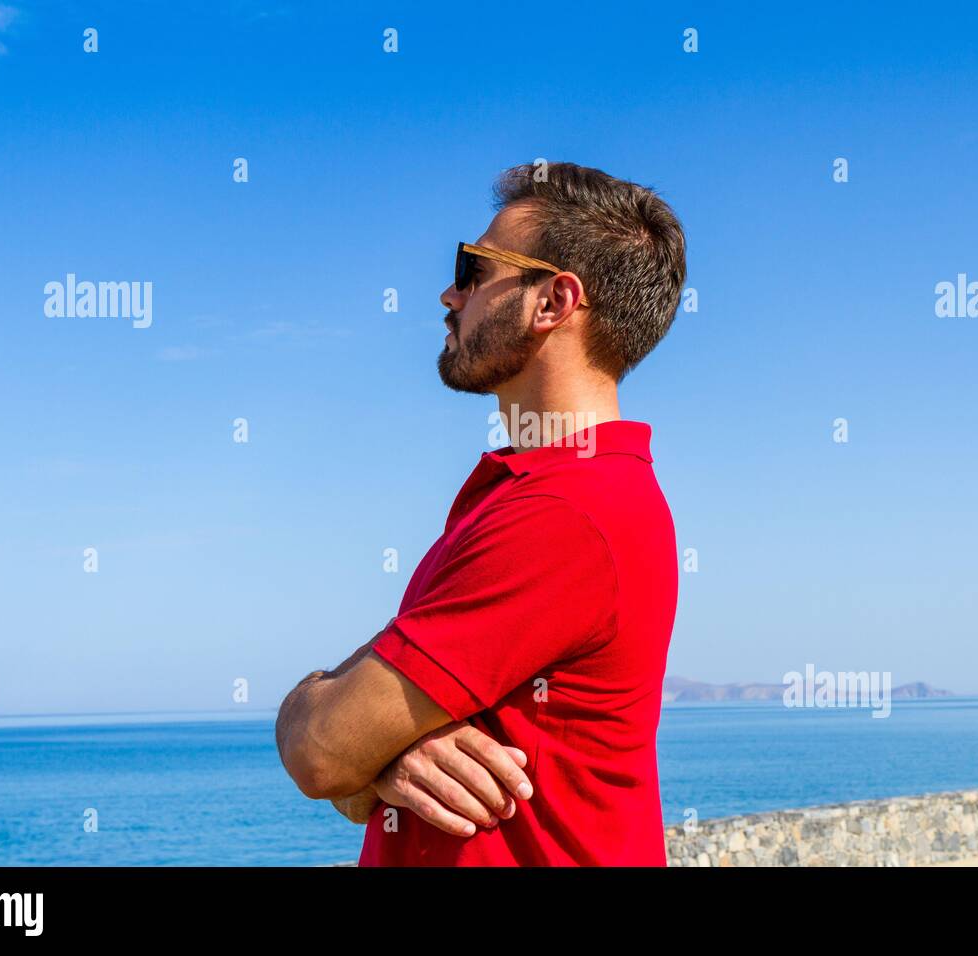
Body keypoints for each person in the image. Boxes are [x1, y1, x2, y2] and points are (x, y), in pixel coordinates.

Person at [276, 161, 687, 865]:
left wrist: (356, 752)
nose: (449, 293)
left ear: (553, 302)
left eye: (472, 270)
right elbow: (336, 751)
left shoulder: (565, 513)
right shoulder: (543, 494)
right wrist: (380, 760)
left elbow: (319, 752)